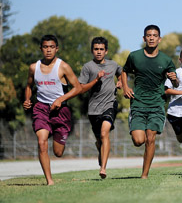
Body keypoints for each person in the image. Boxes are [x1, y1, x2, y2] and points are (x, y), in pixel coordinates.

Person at [23, 34, 82, 185]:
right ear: (41, 48)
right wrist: (27, 99)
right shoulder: (33, 68)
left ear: (57, 48)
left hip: (61, 111)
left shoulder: (63, 66)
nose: (48, 50)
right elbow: (29, 86)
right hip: (41, 109)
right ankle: (49, 181)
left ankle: (57, 135)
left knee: (58, 152)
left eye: (51, 47)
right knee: (42, 142)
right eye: (45, 47)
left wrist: (60, 100)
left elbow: (78, 88)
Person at [121, 25, 178, 179]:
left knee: (151, 138)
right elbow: (124, 71)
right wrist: (125, 87)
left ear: (159, 39)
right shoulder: (135, 56)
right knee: (139, 140)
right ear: (144, 38)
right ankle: (139, 140)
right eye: (148, 35)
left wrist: (175, 79)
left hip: (157, 105)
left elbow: (176, 83)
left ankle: (144, 175)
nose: (151, 38)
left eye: (154, 35)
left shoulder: (166, 60)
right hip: (138, 104)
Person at [78, 37, 122, 179]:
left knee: (104, 133)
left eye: (101, 49)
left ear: (106, 51)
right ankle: (100, 150)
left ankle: (103, 168)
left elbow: (122, 73)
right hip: (93, 109)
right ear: (92, 50)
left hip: (110, 104)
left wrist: (121, 82)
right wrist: (96, 79)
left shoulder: (113, 64)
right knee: (99, 140)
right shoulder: (88, 67)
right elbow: (81, 88)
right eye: (96, 49)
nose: (98, 52)